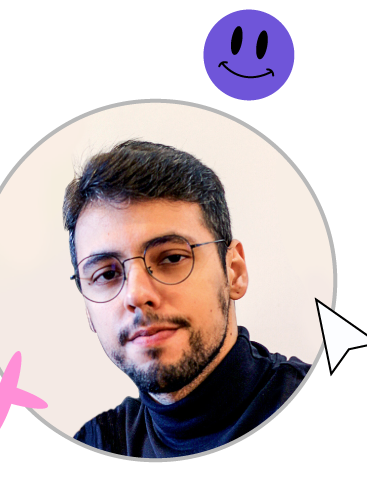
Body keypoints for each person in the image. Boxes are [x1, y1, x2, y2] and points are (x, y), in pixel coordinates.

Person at [63, 140, 310, 457]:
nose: (136, 294)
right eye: (106, 274)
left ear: (233, 272)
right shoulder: (98, 443)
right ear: (87, 308)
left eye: (172, 258)